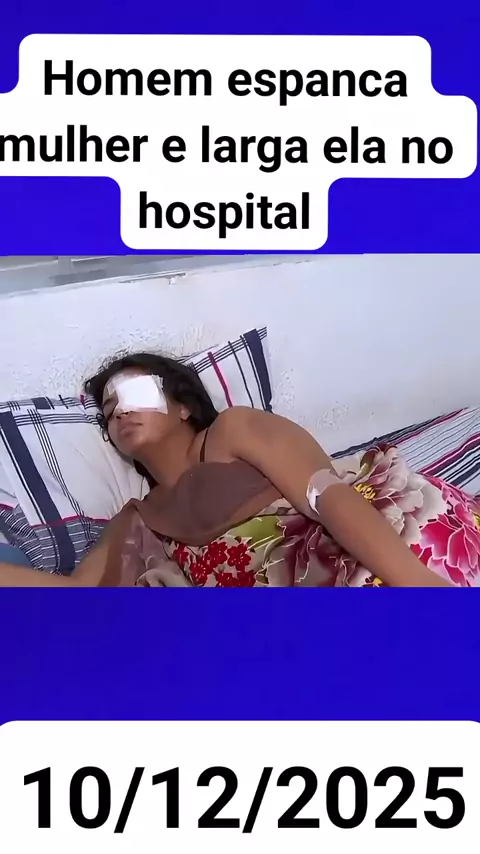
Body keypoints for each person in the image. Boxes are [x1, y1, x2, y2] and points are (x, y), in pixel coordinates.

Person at [0, 353, 479, 587]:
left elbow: (326, 495)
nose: (120, 411)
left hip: (381, 544)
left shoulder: (232, 431)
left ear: (183, 407)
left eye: (135, 395)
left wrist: (420, 586)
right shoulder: (137, 520)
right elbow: (75, 594)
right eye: (109, 411)